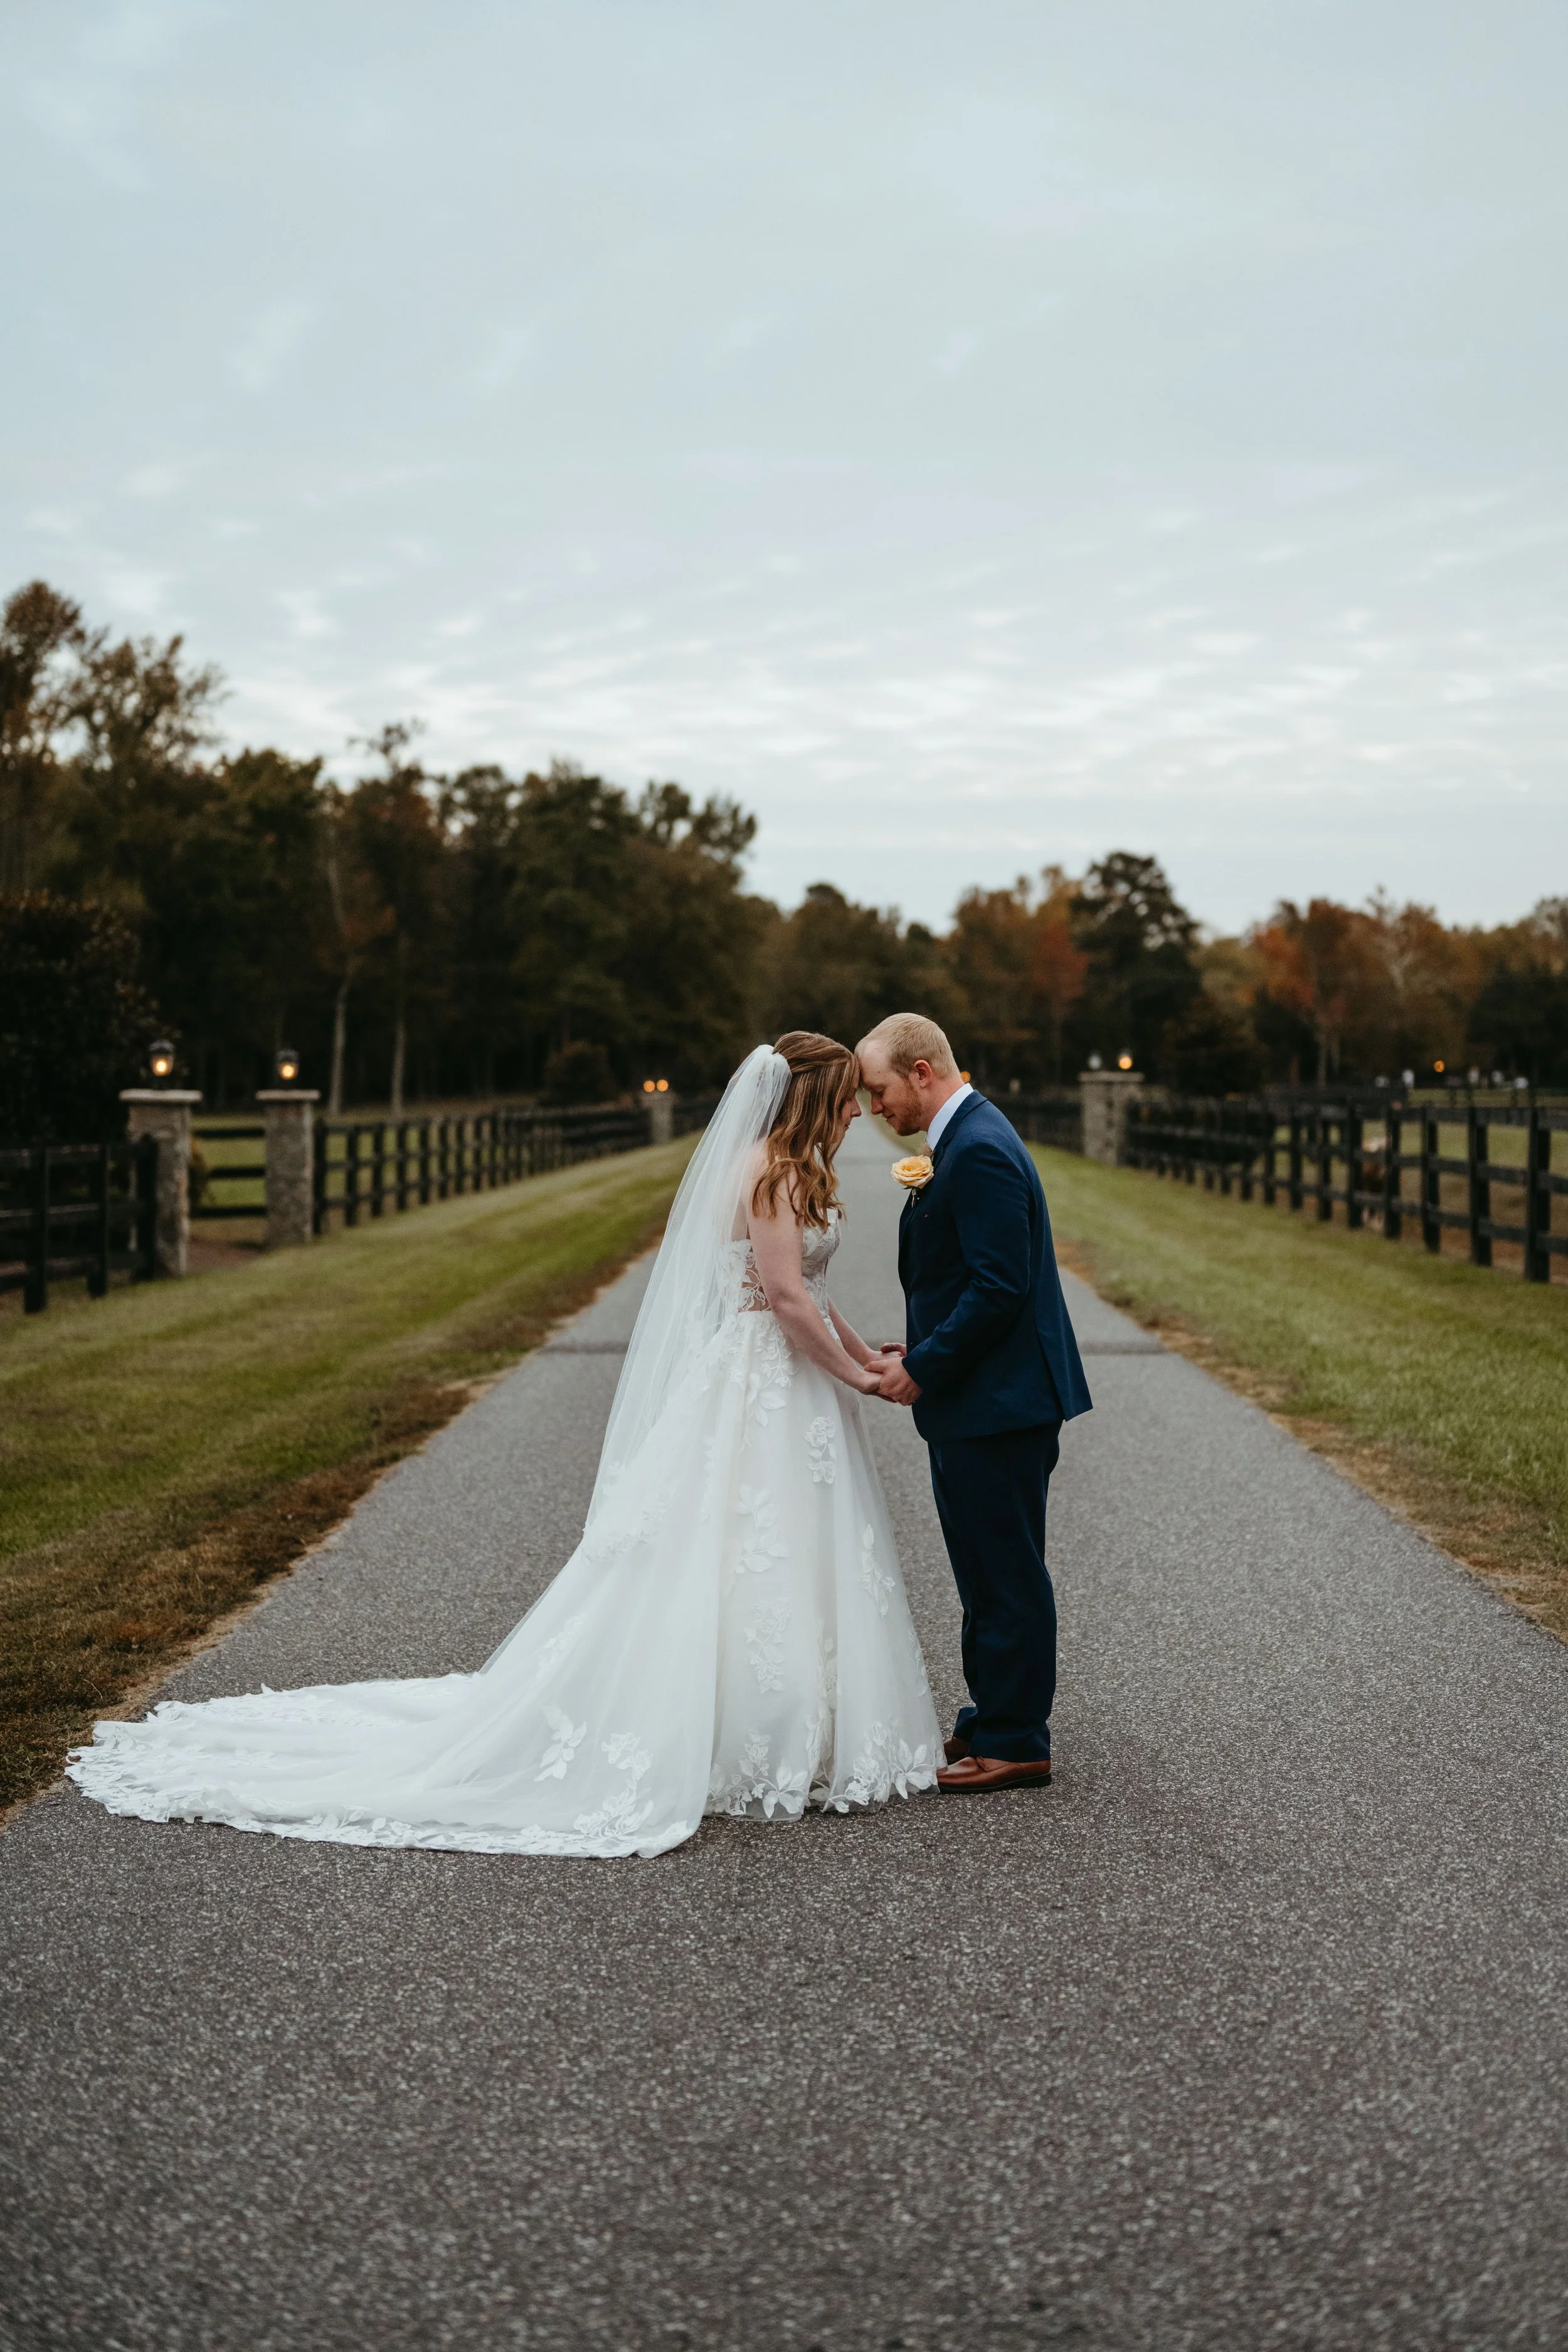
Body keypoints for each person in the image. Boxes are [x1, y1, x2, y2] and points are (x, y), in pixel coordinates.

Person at [67, 1035, 940, 1858]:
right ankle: (743, 1731)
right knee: (739, 1546)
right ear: (811, 1098)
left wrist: (868, 1354)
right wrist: (858, 1379)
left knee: (782, 1549)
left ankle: (790, 1722)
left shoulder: (796, 1170)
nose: (857, 1113)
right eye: (845, 1100)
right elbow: (783, 1300)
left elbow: (812, 1293)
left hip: (792, 1382)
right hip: (760, 1382)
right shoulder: (772, 1174)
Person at [855, 1014, 1091, 1793]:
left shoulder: (981, 1150)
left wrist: (924, 1366)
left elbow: (999, 1288)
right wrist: (914, 1345)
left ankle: (1018, 1738)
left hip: (1002, 1400)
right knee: (982, 1566)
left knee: (1005, 1570)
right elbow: (963, 1280)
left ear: (921, 1072)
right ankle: (993, 1714)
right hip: (982, 1396)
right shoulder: (961, 1138)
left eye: (880, 1089)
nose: (873, 1108)